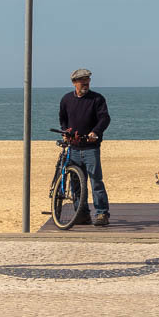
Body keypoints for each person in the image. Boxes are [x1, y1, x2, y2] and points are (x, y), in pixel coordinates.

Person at [59, 68, 111, 226]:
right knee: (76, 182)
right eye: (82, 81)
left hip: (91, 148)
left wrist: (95, 132)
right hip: (73, 148)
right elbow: (63, 118)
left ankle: (102, 214)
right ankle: (82, 214)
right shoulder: (66, 99)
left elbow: (104, 118)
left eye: (87, 80)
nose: (86, 83)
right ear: (74, 82)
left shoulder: (97, 99)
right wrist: (65, 131)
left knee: (96, 181)